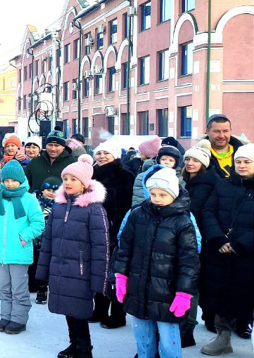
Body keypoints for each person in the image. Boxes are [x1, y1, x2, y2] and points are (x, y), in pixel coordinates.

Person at [113, 166, 199, 358]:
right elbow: (124, 248)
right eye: (153, 193)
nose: (157, 198)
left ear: (174, 194)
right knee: (142, 337)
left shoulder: (182, 222)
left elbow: (189, 261)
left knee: (168, 340)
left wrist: (184, 293)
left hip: (166, 292)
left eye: (163, 194)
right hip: (138, 287)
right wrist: (120, 275)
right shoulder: (137, 215)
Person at [36, 155, 109, 358]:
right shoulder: (58, 207)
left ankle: (84, 349)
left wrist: (98, 280)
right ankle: (74, 344)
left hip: (81, 272)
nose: (67, 182)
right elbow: (48, 240)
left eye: (73, 179)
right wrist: (43, 270)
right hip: (60, 269)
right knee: (68, 310)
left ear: (84, 184)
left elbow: (101, 247)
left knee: (79, 312)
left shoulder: (94, 210)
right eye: (65, 178)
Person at [199, 143, 254, 355]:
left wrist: (241, 244)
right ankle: (223, 338)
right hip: (221, 252)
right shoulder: (223, 184)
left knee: (246, 297)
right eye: (238, 161)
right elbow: (208, 212)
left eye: (247, 162)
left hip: (248, 255)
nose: (241, 165)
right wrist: (218, 239)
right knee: (222, 296)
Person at [0, 160, 46, 335]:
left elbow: (38, 223)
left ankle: (18, 318)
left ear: (21, 180)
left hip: (19, 252)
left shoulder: (29, 199)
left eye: (13, 180)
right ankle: (6, 315)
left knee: (18, 288)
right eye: (7, 180)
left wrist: (23, 237)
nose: (9, 184)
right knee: (4, 287)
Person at [88, 140, 134, 329]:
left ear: (115, 155)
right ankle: (99, 310)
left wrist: (121, 232)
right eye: (99, 153)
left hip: (117, 232)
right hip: (96, 230)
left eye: (106, 153)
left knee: (117, 274)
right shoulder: (91, 175)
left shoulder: (125, 176)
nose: (102, 156)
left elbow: (129, 206)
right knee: (99, 271)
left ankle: (117, 314)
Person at [180, 140, 218, 347]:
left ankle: (187, 329)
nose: (190, 163)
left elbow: (191, 211)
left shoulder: (204, 184)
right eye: (187, 159)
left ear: (203, 162)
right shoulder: (189, 181)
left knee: (189, 284)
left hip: (195, 241)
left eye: (195, 159)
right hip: (187, 238)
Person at [30, 176, 61, 305]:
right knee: (34, 265)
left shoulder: (61, 205)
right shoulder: (34, 202)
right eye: (48, 189)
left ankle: (43, 289)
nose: (51, 193)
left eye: (54, 191)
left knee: (47, 267)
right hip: (34, 240)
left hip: (51, 243)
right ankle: (33, 284)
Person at [205, 114, 246, 179]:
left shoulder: (246, 154)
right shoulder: (197, 157)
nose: (221, 136)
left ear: (230, 131)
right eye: (216, 131)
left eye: (225, 131)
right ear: (207, 131)